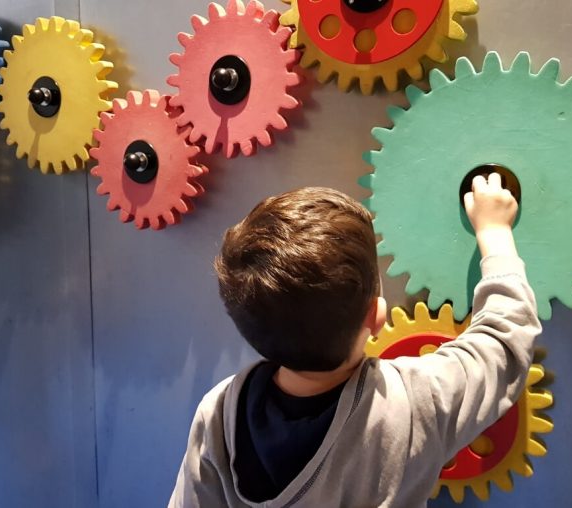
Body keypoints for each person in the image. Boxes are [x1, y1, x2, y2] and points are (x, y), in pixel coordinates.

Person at [169, 174, 541, 507]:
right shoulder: (412, 402)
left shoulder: (218, 412)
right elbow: (503, 344)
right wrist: (494, 233)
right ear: (376, 316)